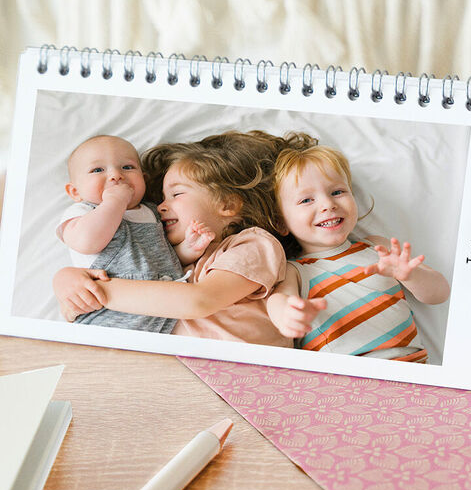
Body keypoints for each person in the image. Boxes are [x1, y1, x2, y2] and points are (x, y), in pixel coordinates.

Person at [53, 131, 316, 347]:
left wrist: (94, 294)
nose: (161, 207)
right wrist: (68, 279)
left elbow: (198, 301)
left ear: (227, 204)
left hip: (244, 376)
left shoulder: (254, 245)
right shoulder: (177, 260)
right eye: (162, 199)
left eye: (176, 195)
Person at [265, 144, 450, 362]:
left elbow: (440, 293)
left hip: (410, 367)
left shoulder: (377, 248)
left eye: (337, 192)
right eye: (306, 200)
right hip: (345, 376)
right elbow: (278, 299)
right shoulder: (296, 270)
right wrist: (287, 314)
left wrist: (410, 275)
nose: (328, 204)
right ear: (281, 223)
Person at [57, 134, 212, 333]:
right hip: (108, 315)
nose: (116, 176)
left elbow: (163, 256)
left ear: (143, 179)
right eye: (98, 170)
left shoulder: (152, 212)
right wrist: (114, 202)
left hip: (163, 313)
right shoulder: (83, 212)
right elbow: (87, 243)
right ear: (74, 192)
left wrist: (188, 248)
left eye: (127, 167)